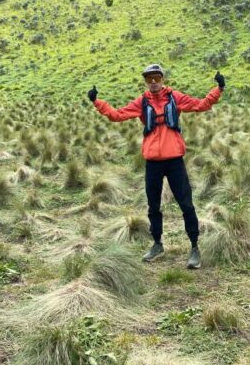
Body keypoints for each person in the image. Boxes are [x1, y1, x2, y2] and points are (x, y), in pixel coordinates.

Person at [87, 64, 225, 269]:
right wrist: (97, 101)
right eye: (149, 79)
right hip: (153, 162)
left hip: (174, 161)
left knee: (186, 204)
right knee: (153, 206)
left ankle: (195, 247)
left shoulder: (175, 97)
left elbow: (202, 104)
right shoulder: (141, 102)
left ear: (162, 79)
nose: (153, 82)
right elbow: (117, 115)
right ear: (145, 81)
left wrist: (218, 89)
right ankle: (157, 244)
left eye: (156, 78)